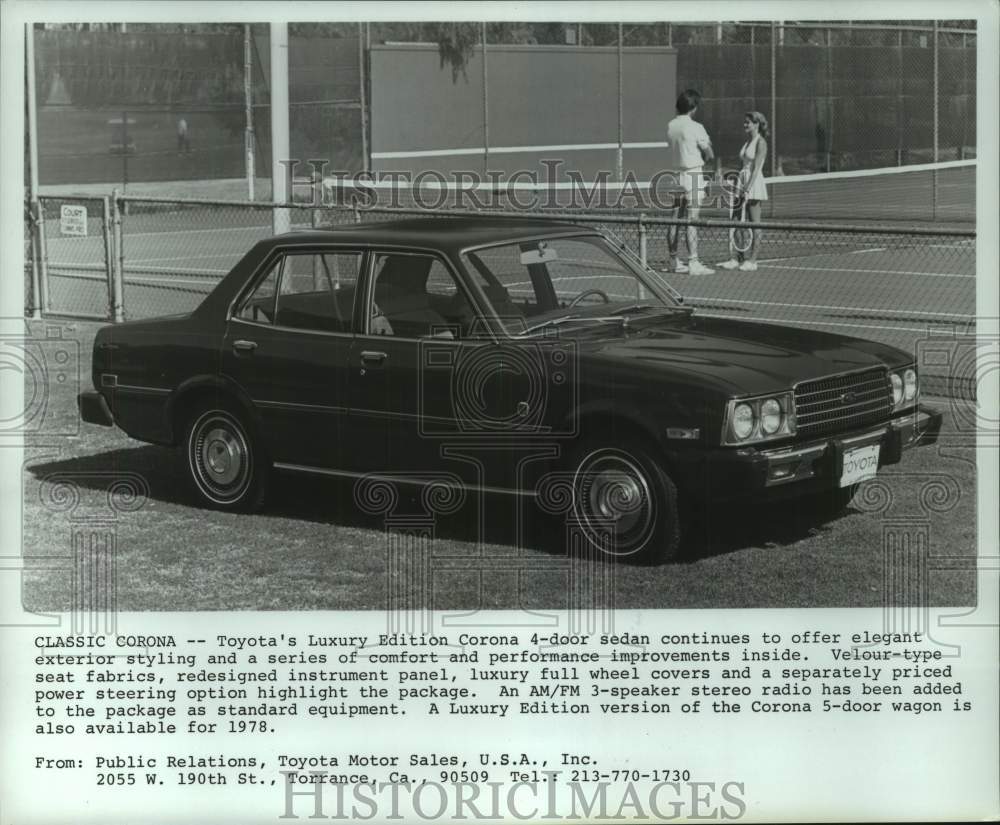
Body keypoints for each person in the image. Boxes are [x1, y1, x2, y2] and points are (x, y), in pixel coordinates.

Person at [663, 89, 715, 276]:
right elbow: (709, 153)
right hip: (693, 175)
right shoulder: (696, 127)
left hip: (677, 176)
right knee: (692, 219)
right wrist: (705, 153)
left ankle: (673, 260)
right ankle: (693, 262)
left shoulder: (670, 126)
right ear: (693, 108)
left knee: (674, 219)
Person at [719, 111, 769, 272]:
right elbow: (744, 166)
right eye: (745, 122)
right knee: (736, 220)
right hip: (741, 181)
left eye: (748, 122)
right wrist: (738, 183)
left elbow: (756, 168)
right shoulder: (747, 142)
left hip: (753, 183)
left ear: (756, 124)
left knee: (755, 223)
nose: (745, 125)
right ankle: (737, 258)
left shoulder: (761, 142)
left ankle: (753, 260)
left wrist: (748, 187)